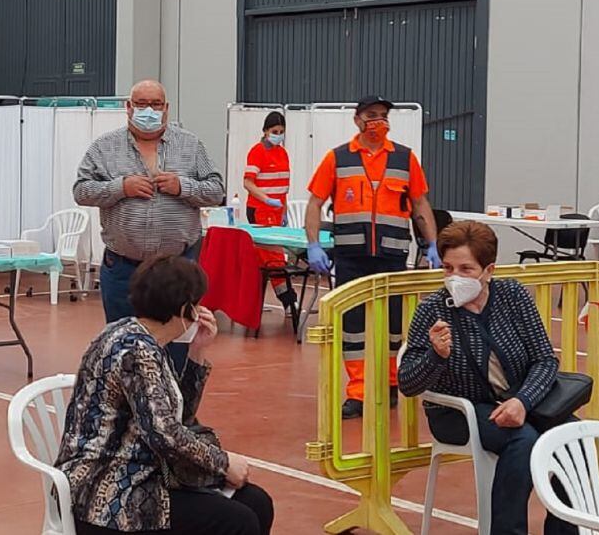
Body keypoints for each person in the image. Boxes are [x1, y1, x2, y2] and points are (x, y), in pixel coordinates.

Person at [56, 256, 274, 535]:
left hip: (144, 475)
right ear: (186, 308)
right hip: (109, 494)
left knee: (257, 502)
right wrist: (224, 463)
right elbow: (166, 434)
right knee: (237, 521)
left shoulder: (141, 336)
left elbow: (178, 415)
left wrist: (197, 353)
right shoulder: (136, 351)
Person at [398, 221, 577, 535]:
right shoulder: (432, 309)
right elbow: (408, 383)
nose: (455, 277)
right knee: (523, 442)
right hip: (459, 412)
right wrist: (435, 356)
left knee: (574, 438)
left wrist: (523, 401)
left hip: (519, 400)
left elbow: (545, 359)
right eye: (448, 268)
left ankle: (564, 530)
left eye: (466, 269)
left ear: (489, 270)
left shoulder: (513, 296)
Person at [73, 79, 224, 370]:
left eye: (155, 104)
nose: (149, 111)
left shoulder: (191, 146)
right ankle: (126, 411)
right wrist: (121, 188)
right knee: (123, 349)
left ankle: (177, 410)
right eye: (141, 104)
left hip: (177, 269)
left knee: (178, 348)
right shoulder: (104, 148)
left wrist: (183, 187)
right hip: (123, 268)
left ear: (166, 108)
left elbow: (217, 191)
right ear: (128, 108)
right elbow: (81, 191)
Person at [304, 95, 441, 419]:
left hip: (392, 255)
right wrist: (313, 243)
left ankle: (392, 384)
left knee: (394, 327)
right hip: (351, 257)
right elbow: (314, 203)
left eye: (383, 115)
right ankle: (358, 393)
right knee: (353, 328)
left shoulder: (405, 159)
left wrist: (433, 244)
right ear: (357, 120)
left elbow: (420, 205)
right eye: (371, 115)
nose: (378, 121)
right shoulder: (337, 159)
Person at [242, 111, 298, 319]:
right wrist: (266, 199)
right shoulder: (257, 152)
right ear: (265, 131)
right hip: (260, 210)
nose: (278, 135)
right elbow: (248, 183)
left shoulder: (282, 153)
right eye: (275, 131)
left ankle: (252, 300)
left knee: (263, 259)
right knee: (273, 258)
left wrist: (283, 209)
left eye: (282, 132)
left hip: (276, 211)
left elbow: (283, 185)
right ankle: (288, 300)